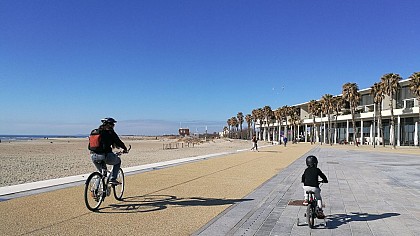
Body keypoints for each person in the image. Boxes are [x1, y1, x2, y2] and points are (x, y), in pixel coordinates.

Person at [90, 117, 128, 185]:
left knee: (102, 173)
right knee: (118, 161)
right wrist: (125, 148)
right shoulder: (110, 132)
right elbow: (118, 142)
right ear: (109, 125)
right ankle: (113, 179)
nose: (113, 125)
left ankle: (95, 190)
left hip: (93, 155)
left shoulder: (95, 132)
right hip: (104, 155)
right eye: (112, 124)